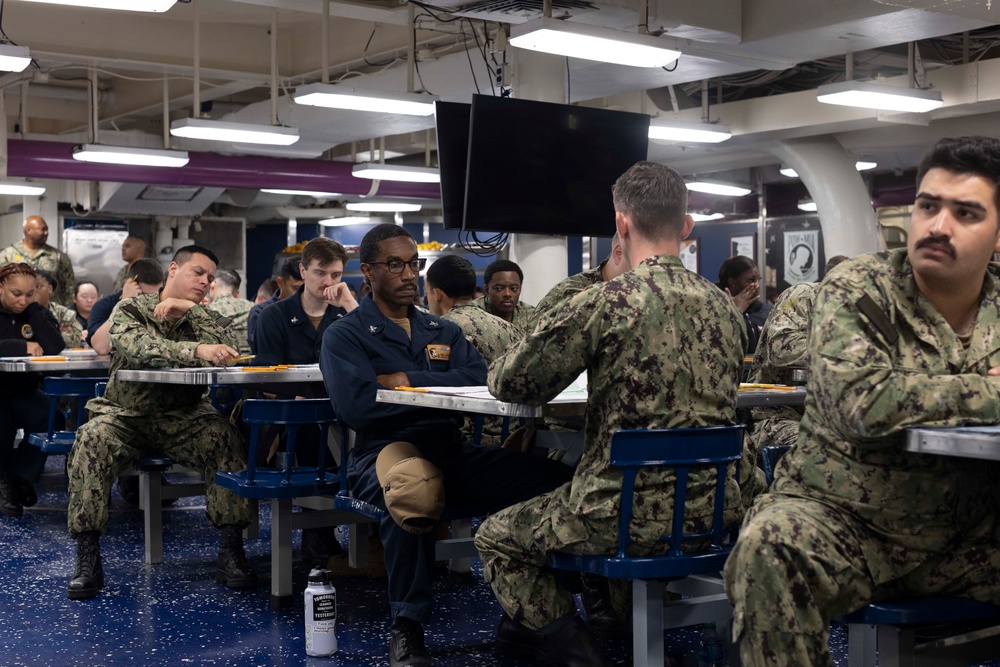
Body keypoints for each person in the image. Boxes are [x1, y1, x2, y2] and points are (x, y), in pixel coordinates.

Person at [724, 135, 1000, 667]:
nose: (938, 225)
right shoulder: (858, 288)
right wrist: (989, 391)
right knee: (767, 549)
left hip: (971, 531)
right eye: (928, 205)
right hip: (848, 523)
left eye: (966, 213)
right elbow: (864, 403)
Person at [474, 161, 749, 667]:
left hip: (617, 514)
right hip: (714, 511)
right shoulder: (728, 309)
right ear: (686, 228)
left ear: (621, 224)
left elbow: (512, 382)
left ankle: (581, 653)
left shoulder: (604, 302)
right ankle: (623, 622)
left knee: (496, 536)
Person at [320, 223, 572, 667]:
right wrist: (437, 400)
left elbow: (482, 380)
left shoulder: (442, 330)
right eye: (394, 264)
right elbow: (358, 407)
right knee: (413, 490)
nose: (407, 274)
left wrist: (408, 383)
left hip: (450, 451)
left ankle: (544, 608)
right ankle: (407, 626)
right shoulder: (347, 334)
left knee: (555, 479)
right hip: (382, 453)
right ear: (368, 272)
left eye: (414, 264)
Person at [66, 245, 256, 600]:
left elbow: (234, 349)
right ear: (173, 269)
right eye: (198, 272)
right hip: (126, 417)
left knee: (224, 437)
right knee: (91, 440)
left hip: (183, 419)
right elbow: (142, 347)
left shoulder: (199, 315)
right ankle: (87, 557)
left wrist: (192, 310)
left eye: (211, 278)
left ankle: (231, 550)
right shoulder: (131, 310)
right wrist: (196, 350)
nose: (205, 281)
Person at [255, 237, 358, 569]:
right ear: (303, 271)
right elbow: (268, 382)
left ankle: (371, 531)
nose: (328, 282)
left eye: (336, 274)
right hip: (290, 415)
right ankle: (318, 532)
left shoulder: (346, 316)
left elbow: (375, 353)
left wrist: (351, 305)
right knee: (314, 427)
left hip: (343, 412)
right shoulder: (274, 317)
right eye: (320, 273)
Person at [745, 255, 848, 453]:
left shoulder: (851, 315)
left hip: (826, 418)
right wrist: (845, 354)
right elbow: (782, 349)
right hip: (778, 415)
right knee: (815, 449)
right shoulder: (804, 296)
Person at [425, 254, 521, 446]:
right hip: (514, 439)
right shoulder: (510, 328)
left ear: (437, 294)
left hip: (465, 443)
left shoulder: (441, 331)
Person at [0, 263, 65, 518]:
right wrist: (22, 346)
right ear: (1, 287)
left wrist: (36, 310)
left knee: (51, 418)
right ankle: (7, 480)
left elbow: (55, 345)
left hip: (23, 389)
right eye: (17, 294)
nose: (22, 300)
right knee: (1, 429)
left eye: (29, 294)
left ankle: (17, 477)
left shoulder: (33, 311)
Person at [533, 232, 628, 315]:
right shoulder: (568, 295)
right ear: (619, 253)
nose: (643, 270)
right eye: (640, 262)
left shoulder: (637, 296)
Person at [87, 258, 165, 356]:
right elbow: (101, 348)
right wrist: (125, 303)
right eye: (145, 295)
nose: (151, 301)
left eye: (155, 295)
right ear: (131, 284)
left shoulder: (165, 303)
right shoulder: (104, 306)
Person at [0, 216, 76, 307]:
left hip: (49, 312)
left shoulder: (57, 256)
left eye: (47, 229)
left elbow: (69, 285)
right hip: (17, 311)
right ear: (28, 231)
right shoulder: (7, 255)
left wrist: (64, 309)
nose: (46, 233)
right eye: (42, 229)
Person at [247, 255, 303, 353]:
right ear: (280, 282)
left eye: (306, 288)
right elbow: (261, 350)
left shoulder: (311, 311)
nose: (302, 293)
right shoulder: (261, 312)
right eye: (296, 288)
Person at [717, 255, 766, 354]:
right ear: (732, 282)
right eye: (751, 280)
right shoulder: (714, 308)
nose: (757, 285)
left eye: (758, 279)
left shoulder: (765, 311)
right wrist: (733, 311)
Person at [477, 259, 535, 329]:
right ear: (487, 290)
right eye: (499, 288)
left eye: (513, 288)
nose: (507, 294)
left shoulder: (532, 316)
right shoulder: (473, 315)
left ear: (520, 288)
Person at [207, 269, 254, 355]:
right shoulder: (252, 307)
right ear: (237, 293)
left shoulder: (209, 310)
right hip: (251, 363)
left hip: (222, 362)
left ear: (212, 285)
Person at [34, 270, 83, 348]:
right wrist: (57, 334)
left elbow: (76, 341)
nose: (33, 291)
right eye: (29, 287)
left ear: (50, 289)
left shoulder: (63, 313)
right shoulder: (18, 310)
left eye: (38, 286)